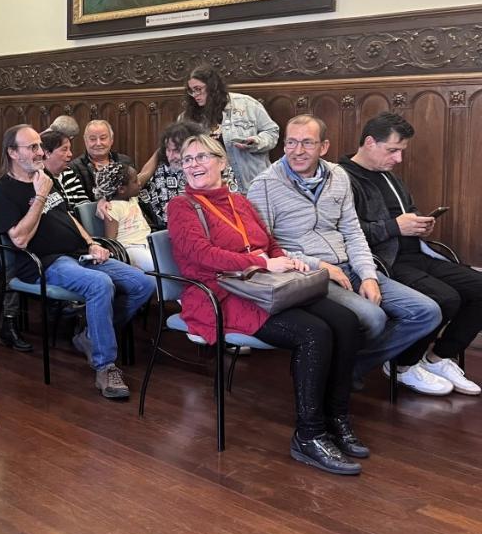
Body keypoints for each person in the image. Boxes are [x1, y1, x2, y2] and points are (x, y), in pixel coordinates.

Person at [168, 134, 366, 474]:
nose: (194, 164)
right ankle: (309, 435)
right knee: (313, 333)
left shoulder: (239, 201)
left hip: (263, 286)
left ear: (222, 162)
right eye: (187, 159)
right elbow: (200, 255)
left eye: (202, 156)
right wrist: (262, 264)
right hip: (220, 293)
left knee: (346, 322)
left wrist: (286, 261)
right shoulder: (181, 206)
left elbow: (269, 242)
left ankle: (336, 417)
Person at [249, 115, 442, 393]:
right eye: (291, 142)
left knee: (426, 312)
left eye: (307, 143)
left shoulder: (338, 175)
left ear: (323, 146)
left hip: (350, 264)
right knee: (373, 318)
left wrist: (368, 276)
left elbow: (353, 232)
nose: (297, 151)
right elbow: (266, 248)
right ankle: (334, 371)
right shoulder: (264, 185)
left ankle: (346, 367)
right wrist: (322, 266)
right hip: (307, 273)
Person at [0, 125, 155, 399]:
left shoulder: (44, 178)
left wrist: (92, 242)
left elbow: (69, 217)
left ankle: (91, 334)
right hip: (45, 263)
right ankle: (105, 366)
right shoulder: (3, 191)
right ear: (12, 153)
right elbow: (19, 239)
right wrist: (40, 196)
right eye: (32, 147)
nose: (40, 152)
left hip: (80, 253)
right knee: (100, 284)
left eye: (39, 146)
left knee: (143, 283)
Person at [340, 113, 481, 395]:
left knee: (479, 287)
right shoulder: (342, 177)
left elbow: (407, 214)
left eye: (401, 151)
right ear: (369, 142)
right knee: (446, 299)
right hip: (383, 261)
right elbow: (346, 233)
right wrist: (395, 227)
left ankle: (437, 358)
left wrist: (418, 224)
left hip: (417, 253)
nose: (398, 159)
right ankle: (403, 364)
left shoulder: (391, 178)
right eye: (393, 150)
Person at [180, 66, 278, 189]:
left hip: (251, 184)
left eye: (198, 89)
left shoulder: (246, 104)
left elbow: (272, 132)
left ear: (212, 86)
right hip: (213, 188)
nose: (195, 95)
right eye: (191, 91)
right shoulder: (187, 118)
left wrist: (257, 142)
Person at [138, 120, 239, 228]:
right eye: (168, 150)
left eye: (176, 150)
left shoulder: (213, 167)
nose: (171, 156)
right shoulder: (162, 172)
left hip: (220, 225)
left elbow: (231, 203)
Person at [95, 163, 153, 272]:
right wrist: (122, 264)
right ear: (121, 189)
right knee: (159, 264)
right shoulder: (112, 208)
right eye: (135, 181)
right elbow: (111, 240)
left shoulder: (132, 198)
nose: (139, 183)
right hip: (131, 248)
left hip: (148, 243)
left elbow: (146, 173)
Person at [71, 120, 136, 202]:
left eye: (103, 138)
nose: (98, 143)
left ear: (111, 140)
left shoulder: (125, 161)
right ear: (85, 141)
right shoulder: (74, 167)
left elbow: (134, 191)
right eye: (93, 139)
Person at [40, 129, 89, 206]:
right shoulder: (40, 178)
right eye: (64, 149)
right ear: (47, 153)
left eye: (69, 149)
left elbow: (83, 203)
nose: (70, 154)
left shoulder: (69, 172)